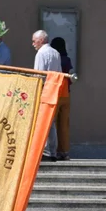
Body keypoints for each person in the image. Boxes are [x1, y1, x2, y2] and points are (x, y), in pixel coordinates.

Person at [32, 30, 63, 162]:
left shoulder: (41, 53)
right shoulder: (56, 53)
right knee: (51, 121)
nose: (33, 44)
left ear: (41, 40)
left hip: (44, 89)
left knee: (43, 121)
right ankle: (52, 150)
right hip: (54, 89)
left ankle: (45, 151)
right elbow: (60, 73)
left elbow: (38, 74)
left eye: (34, 41)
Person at [48, 37, 73, 161]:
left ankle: (55, 150)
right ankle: (65, 151)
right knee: (64, 124)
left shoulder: (55, 57)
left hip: (56, 92)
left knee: (53, 124)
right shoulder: (67, 59)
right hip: (67, 94)